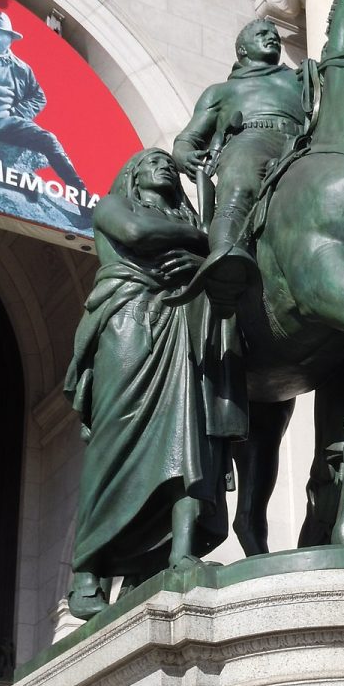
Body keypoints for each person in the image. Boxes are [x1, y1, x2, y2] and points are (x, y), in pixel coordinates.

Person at [64, 148, 247, 621]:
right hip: (128, 320)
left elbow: (223, 256)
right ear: (132, 175)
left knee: (190, 436)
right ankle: (89, 567)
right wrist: (202, 238)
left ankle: (177, 552)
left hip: (182, 320)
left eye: (168, 163)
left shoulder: (188, 220)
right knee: (115, 442)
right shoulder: (113, 206)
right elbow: (137, 233)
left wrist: (199, 259)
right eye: (151, 162)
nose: (163, 166)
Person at [171, 18, 304, 316]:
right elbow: (187, 139)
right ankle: (225, 258)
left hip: (301, 141)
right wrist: (184, 155)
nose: (272, 37)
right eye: (262, 34)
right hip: (251, 138)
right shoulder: (220, 92)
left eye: (274, 34)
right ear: (242, 49)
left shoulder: (299, 80)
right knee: (240, 177)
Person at [0, 9, 86, 195]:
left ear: (11, 38)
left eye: (4, 34)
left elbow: (39, 97)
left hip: (6, 122)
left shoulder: (22, 68)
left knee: (49, 139)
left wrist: (14, 115)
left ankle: (80, 193)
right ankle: (17, 182)